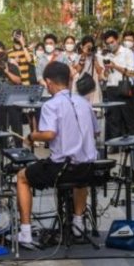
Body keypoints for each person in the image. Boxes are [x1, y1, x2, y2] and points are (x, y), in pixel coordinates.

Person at [16, 61, 99, 249]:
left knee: (22, 177)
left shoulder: (51, 105)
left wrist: (31, 136)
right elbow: (96, 131)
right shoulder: (84, 103)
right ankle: (78, 224)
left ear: (48, 82)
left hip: (62, 168)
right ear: (68, 80)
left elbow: (49, 134)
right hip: (87, 168)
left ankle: (25, 233)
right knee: (80, 180)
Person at [101, 29, 134, 138]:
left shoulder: (127, 52)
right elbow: (104, 77)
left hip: (124, 88)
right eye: (108, 43)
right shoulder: (107, 55)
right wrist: (106, 70)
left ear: (117, 40)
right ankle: (115, 143)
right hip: (111, 88)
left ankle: (133, 144)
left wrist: (115, 66)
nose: (111, 45)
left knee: (128, 118)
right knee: (113, 119)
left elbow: (131, 72)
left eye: (112, 42)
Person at [71, 35, 103, 106]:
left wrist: (94, 58)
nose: (89, 49)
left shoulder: (97, 58)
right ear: (82, 47)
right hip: (82, 87)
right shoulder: (78, 57)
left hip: (94, 89)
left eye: (90, 47)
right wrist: (83, 55)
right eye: (87, 47)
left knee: (94, 109)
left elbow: (99, 72)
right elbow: (78, 70)